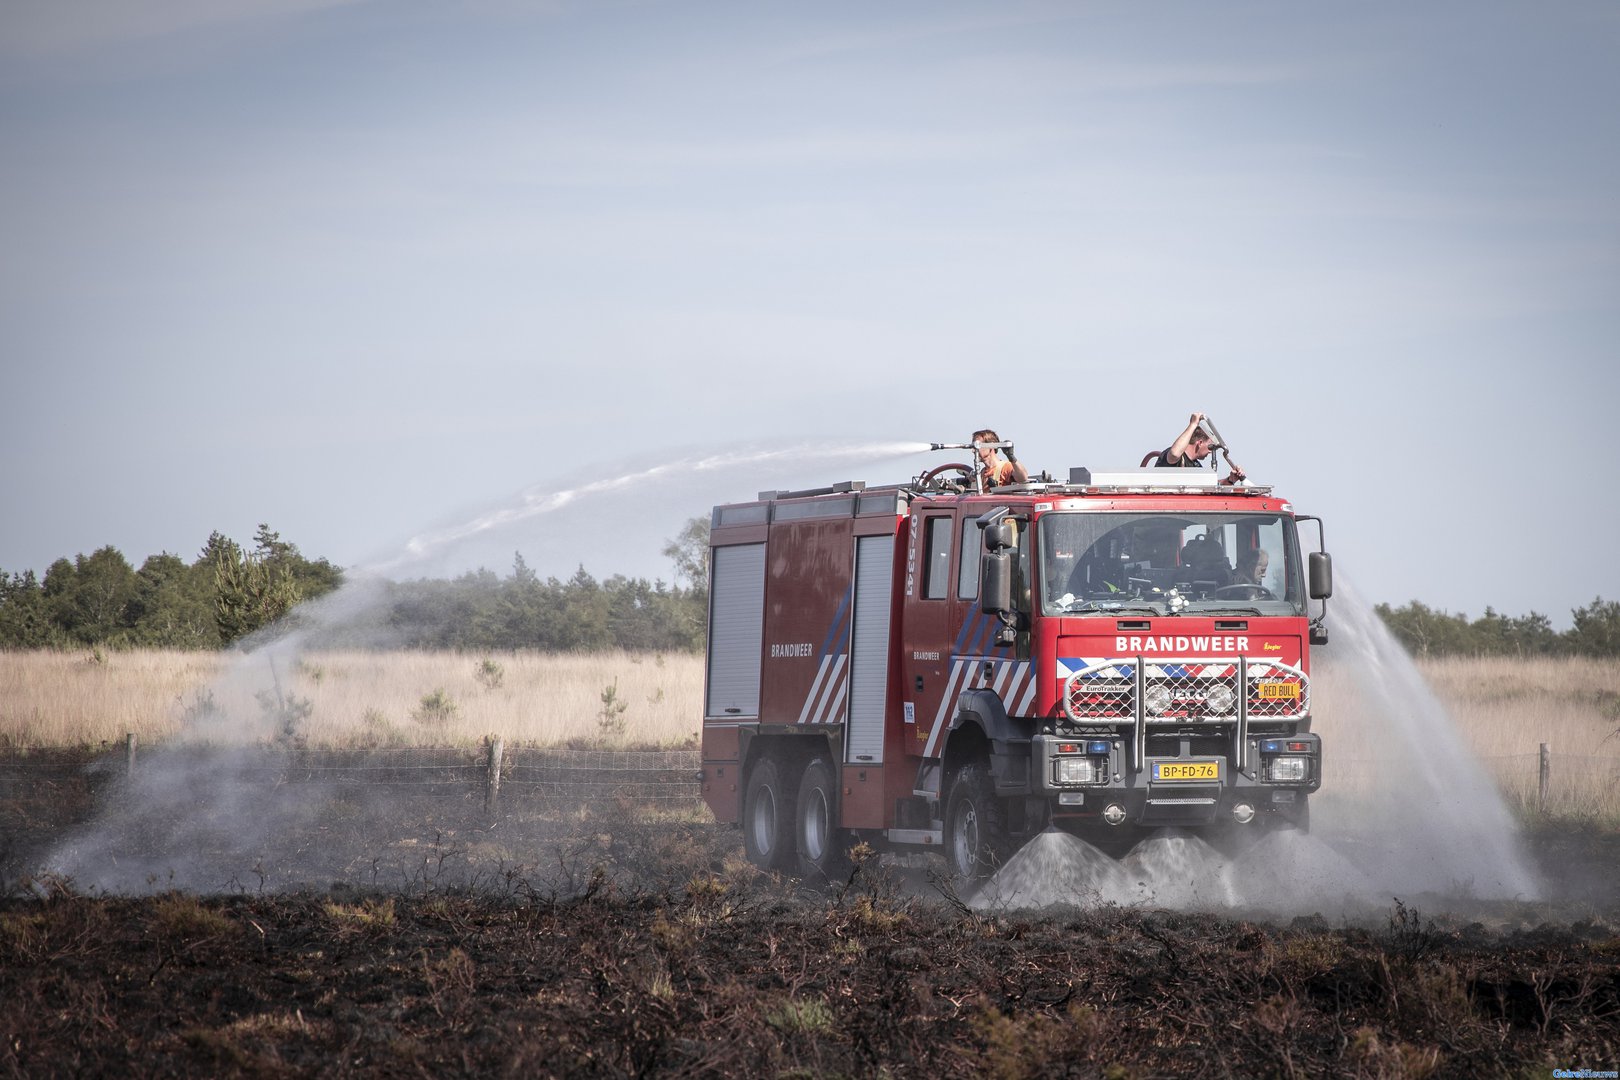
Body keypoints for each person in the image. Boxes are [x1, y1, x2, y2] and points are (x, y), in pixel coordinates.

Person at [1153, 412, 1246, 484]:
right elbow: (1174, 454)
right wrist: (1193, 424)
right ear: (1200, 443)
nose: (1211, 452)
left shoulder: (1196, 466)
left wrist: (1230, 480)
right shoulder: (1174, 457)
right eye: (1210, 447)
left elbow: (1211, 487)